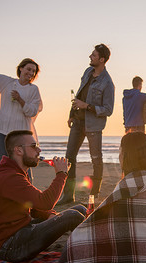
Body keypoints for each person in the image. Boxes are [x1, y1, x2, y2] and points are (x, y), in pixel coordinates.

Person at [57, 132, 146, 263]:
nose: (119, 155)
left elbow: (100, 217)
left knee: (77, 241)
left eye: (120, 150)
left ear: (127, 155)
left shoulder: (131, 183)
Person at [0, 130, 87, 262]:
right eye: (33, 146)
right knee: (73, 216)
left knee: (80, 209)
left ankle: (83, 251)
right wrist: (61, 174)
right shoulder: (9, 178)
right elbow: (45, 202)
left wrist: (49, 215)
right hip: (9, 247)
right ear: (18, 150)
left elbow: (34, 207)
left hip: (21, 232)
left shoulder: (15, 173)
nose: (39, 150)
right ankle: (88, 254)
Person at [58, 44, 115, 205]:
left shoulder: (108, 83)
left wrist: (87, 106)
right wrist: (71, 113)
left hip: (94, 126)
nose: (90, 57)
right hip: (77, 122)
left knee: (96, 159)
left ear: (102, 59)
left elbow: (108, 110)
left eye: (94, 55)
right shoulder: (87, 72)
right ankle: (68, 195)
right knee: (69, 158)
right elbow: (79, 93)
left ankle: (94, 195)